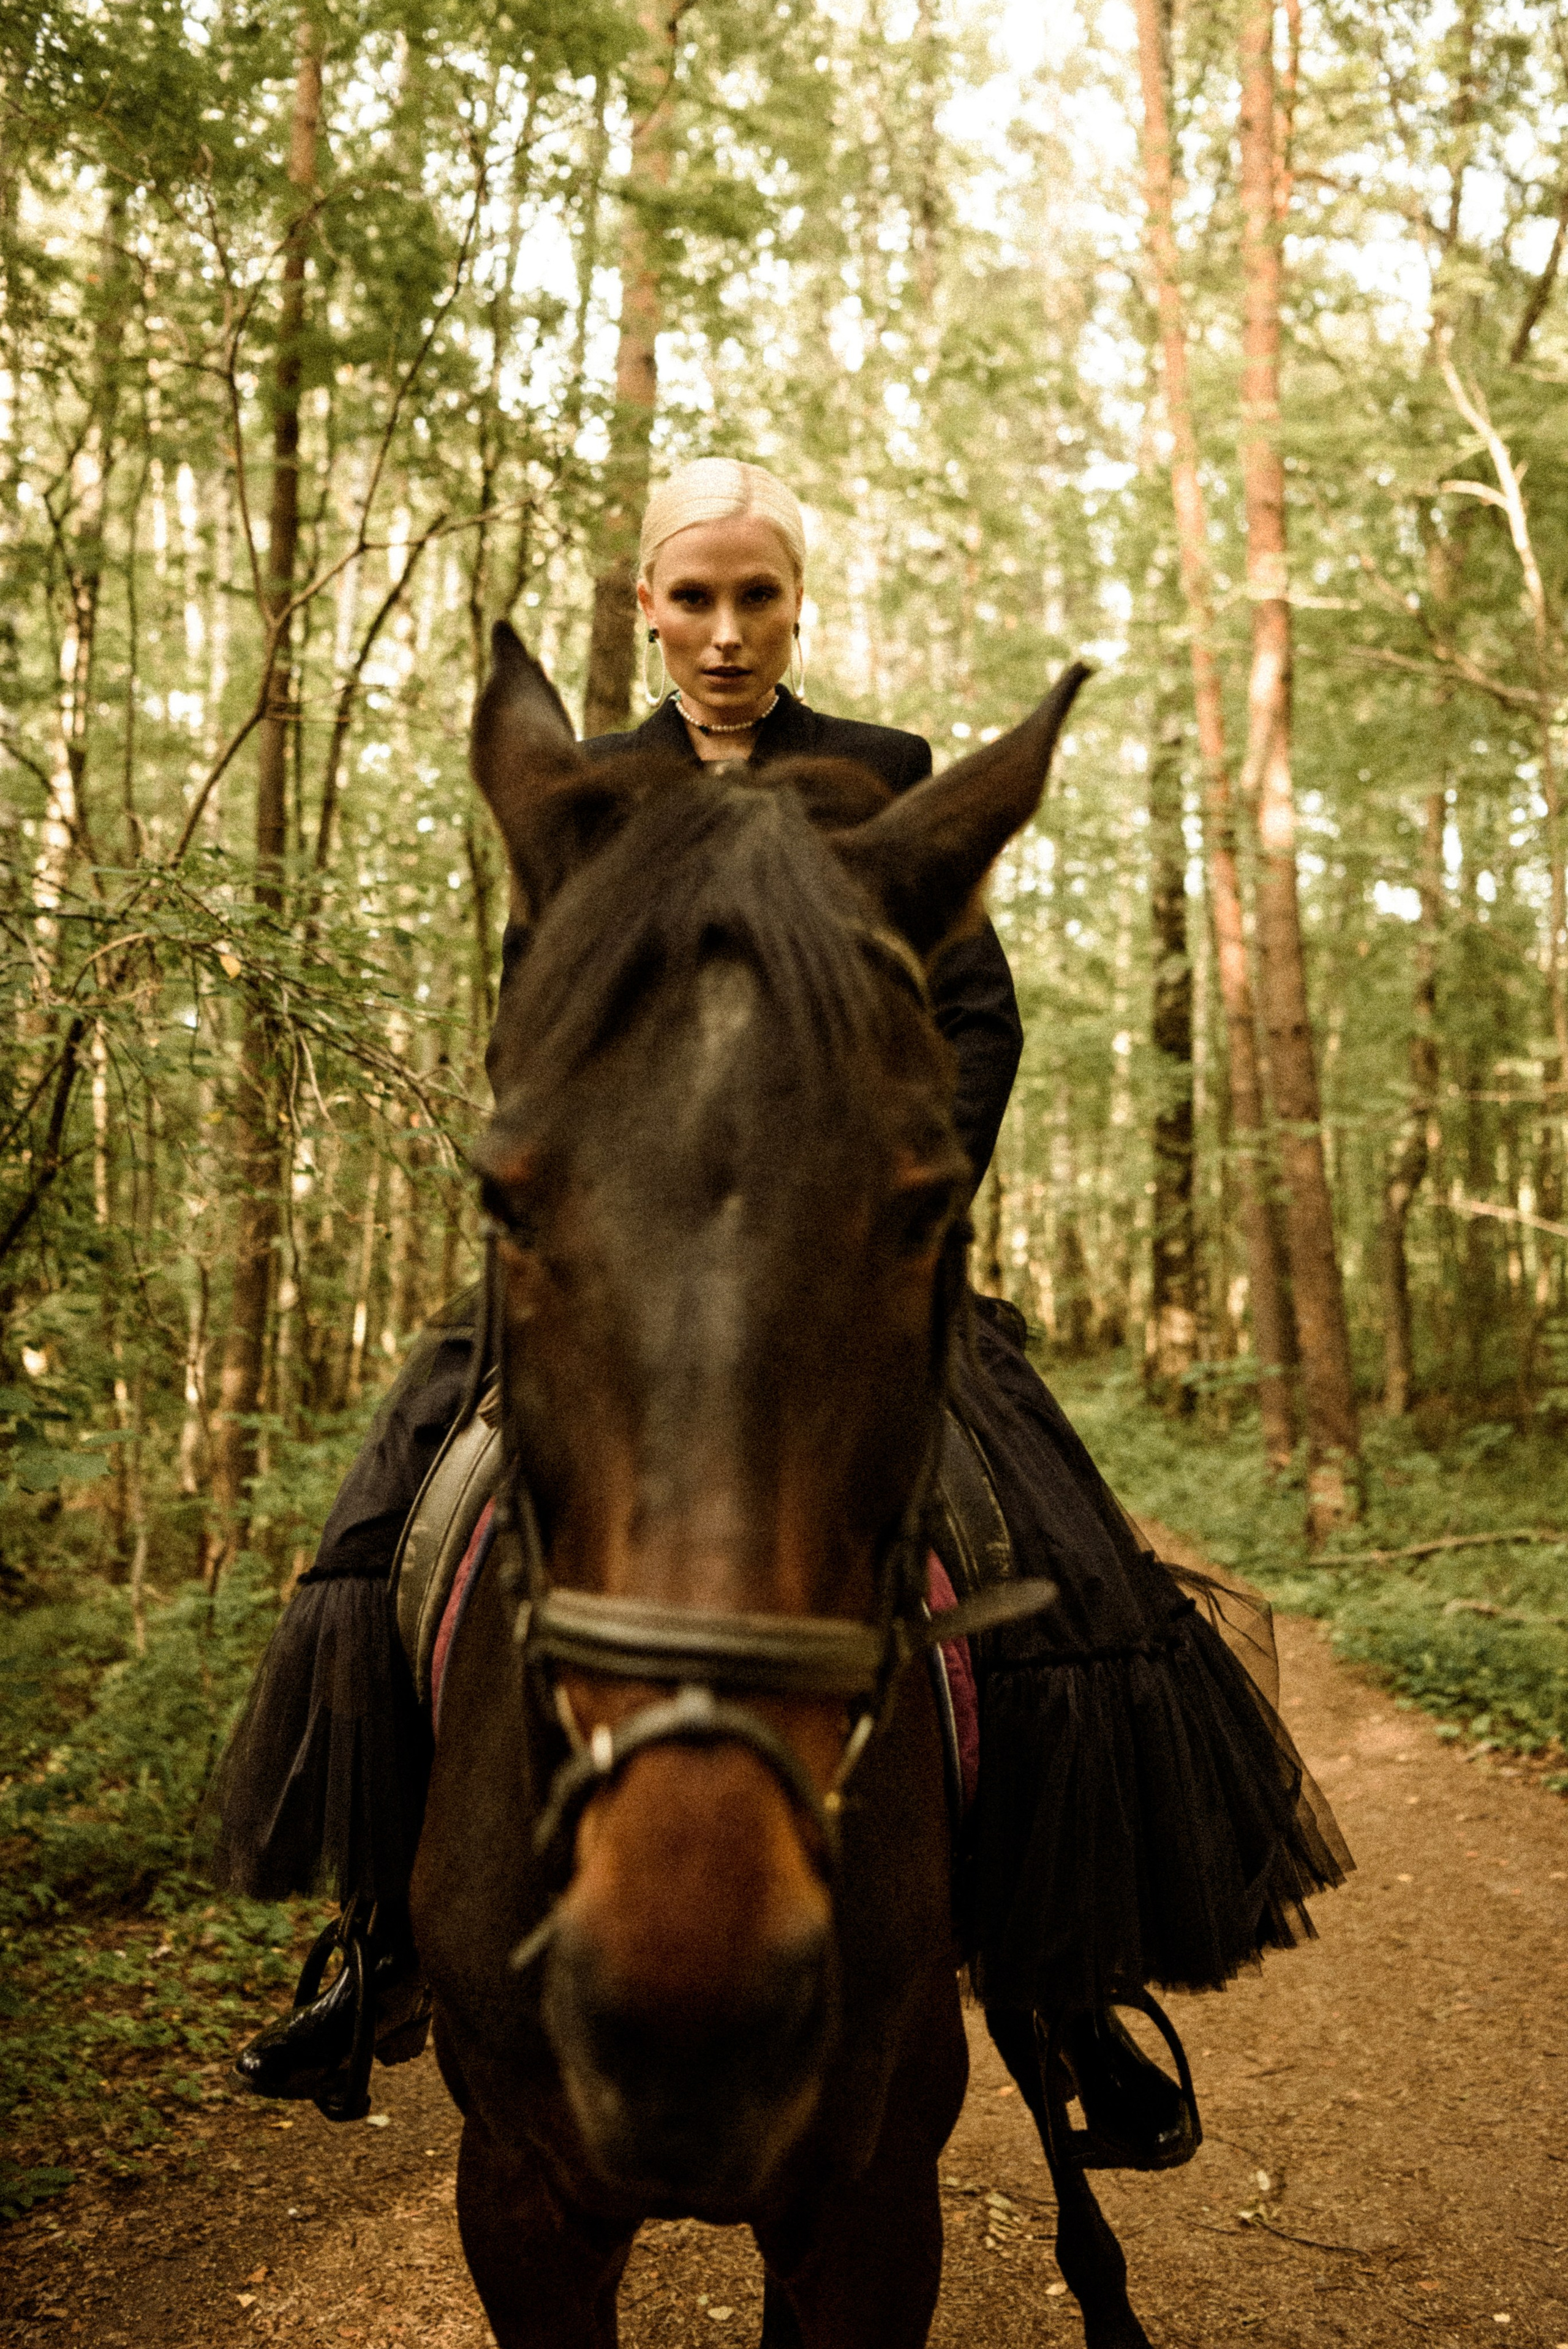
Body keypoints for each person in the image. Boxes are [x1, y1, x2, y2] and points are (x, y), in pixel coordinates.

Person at [213, 458, 1348, 2159]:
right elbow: (545, 1026)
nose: (726, 630)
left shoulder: (884, 781)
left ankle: (1058, 1974)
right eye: (694, 596)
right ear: (648, 608)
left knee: (1065, 1548)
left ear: (795, 605)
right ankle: (387, 1935)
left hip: (842, 1249)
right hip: (619, 1244)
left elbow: (978, 1018)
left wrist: (892, 1205)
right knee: (386, 1525)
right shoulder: (587, 792)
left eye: (757, 596)